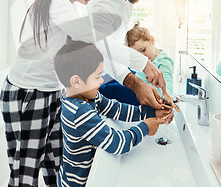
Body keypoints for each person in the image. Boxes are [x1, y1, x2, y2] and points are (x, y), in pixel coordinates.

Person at [0, 0, 167, 186]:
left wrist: (146, 113)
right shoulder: (57, 1)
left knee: (54, 165)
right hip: (28, 92)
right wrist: (144, 63)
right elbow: (92, 40)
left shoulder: (66, 8)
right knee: (26, 172)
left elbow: (95, 50)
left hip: (49, 92)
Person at [53, 40, 169, 187]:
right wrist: (145, 128)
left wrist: (150, 112)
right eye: (97, 77)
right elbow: (117, 143)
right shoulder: (79, 112)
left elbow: (115, 109)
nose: (101, 81)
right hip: (77, 183)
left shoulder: (87, 96)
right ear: (76, 82)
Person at [89, 0, 192, 107]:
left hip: (110, 63)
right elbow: (101, 44)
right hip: (87, 73)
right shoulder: (103, 4)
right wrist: (145, 64)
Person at [100, 21, 174, 105]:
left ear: (152, 40)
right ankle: (97, 83)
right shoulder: (152, 56)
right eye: (137, 55)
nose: (141, 57)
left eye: (143, 50)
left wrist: (168, 96)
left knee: (113, 89)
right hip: (140, 81)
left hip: (144, 95)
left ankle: (92, 92)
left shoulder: (164, 61)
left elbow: (167, 80)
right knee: (114, 80)